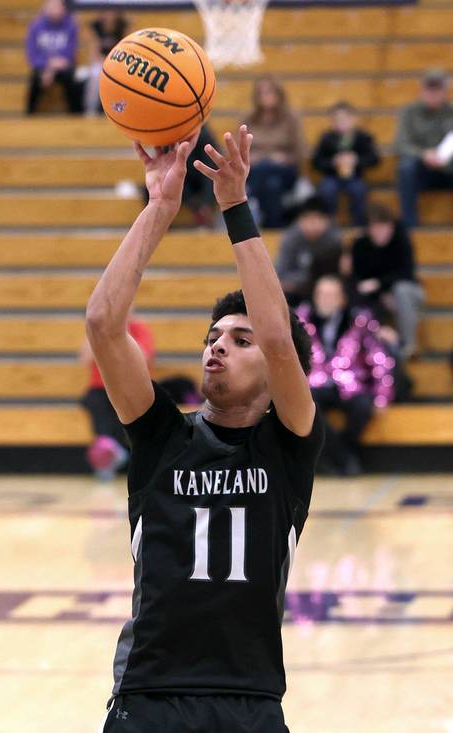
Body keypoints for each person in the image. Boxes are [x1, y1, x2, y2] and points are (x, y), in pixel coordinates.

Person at [87, 125, 322, 732]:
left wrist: (234, 207)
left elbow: (278, 337)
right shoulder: (163, 435)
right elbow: (103, 325)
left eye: (238, 340)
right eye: (212, 338)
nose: (217, 347)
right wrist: (161, 207)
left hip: (250, 701)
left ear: (274, 371)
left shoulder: (288, 443)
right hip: (150, 694)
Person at [297, 275, 395, 476]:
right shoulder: (301, 321)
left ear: (341, 298)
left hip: (351, 385)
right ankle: (345, 459)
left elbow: (379, 358)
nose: (326, 299)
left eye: (331, 295)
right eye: (322, 294)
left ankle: (341, 454)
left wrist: (382, 396)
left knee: (363, 406)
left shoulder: (358, 321)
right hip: (316, 385)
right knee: (308, 408)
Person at [81, 316, 154, 481]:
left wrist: (122, 332)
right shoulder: (98, 329)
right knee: (95, 402)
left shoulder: (138, 327)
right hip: (100, 388)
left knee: (122, 405)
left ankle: (109, 453)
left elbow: (145, 357)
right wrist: (96, 331)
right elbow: (85, 358)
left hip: (129, 385)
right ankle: (111, 451)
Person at [350, 204, 424, 359]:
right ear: (369, 229)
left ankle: (408, 344)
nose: (380, 233)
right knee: (360, 295)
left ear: (392, 226)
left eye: (384, 227)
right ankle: (369, 347)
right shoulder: (360, 245)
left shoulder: (401, 241)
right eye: (376, 228)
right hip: (377, 295)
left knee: (401, 291)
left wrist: (380, 285)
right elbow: (357, 278)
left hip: (408, 290)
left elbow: (407, 273)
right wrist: (381, 292)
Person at [242, 77, 306, 228]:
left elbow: (302, 152)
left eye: (269, 92)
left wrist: (286, 158)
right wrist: (249, 157)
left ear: (279, 95)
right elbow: (235, 149)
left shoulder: (291, 118)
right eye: (261, 93)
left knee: (266, 170)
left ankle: (252, 202)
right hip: (256, 169)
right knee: (272, 185)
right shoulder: (248, 118)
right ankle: (274, 228)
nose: (265, 96)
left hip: (285, 170)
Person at [395, 69, 453, 228]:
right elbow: (401, 143)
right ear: (422, 90)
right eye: (429, 89)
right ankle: (409, 223)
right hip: (421, 171)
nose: (433, 93)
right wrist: (424, 154)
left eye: (437, 89)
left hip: (448, 168)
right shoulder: (409, 112)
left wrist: (443, 158)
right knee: (405, 167)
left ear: (445, 91)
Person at [312, 101, 380, 227]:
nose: (341, 122)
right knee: (327, 190)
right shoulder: (326, 138)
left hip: (355, 177)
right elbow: (316, 162)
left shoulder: (362, 137)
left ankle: (358, 225)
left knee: (359, 190)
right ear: (332, 121)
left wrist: (357, 160)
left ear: (353, 119)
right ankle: (329, 225)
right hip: (331, 177)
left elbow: (374, 159)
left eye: (345, 119)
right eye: (337, 119)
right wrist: (333, 162)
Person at [275, 196, 343, 305]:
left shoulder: (334, 239)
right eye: (307, 219)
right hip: (297, 293)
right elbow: (281, 274)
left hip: (326, 292)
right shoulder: (290, 238)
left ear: (326, 221)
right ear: (300, 220)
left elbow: (338, 273)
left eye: (317, 219)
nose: (312, 224)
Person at [25, 0, 81, 115]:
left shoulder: (71, 25)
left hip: (63, 66)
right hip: (42, 67)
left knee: (72, 78)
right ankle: (29, 114)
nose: (56, 10)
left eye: (59, 6)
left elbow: (70, 52)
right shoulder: (35, 26)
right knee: (35, 78)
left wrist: (53, 67)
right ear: (46, 8)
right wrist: (48, 66)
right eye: (53, 6)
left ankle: (76, 114)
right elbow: (32, 54)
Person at [83, 10, 128, 115]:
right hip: (101, 61)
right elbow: (93, 51)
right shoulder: (96, 26)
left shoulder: (123, 26)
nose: (109, 14)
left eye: (112, 11)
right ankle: (90, 109)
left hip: (119, 61)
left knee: (124, 78)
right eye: (106, 11)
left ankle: (120, 110)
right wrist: (105, 62)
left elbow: (127, 49)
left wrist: (113, 63)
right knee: (95, 74)